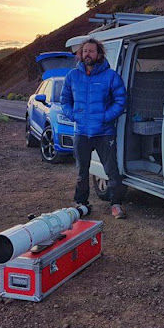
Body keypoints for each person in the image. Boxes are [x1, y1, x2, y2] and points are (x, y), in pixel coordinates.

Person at [61, 38, 128, 219]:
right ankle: (81, 203)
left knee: (111, 170)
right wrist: (75, 116)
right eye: (85, 51)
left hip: (104, 132)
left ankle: (116, 205)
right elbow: (65, 102)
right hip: (81, 132)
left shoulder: (110, 76)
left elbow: (121, 101)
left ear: (99, 54)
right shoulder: (72, 76)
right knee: (82, 171)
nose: (87, 54)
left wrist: (105, 118)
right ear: (81, 55)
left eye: (91, 51)